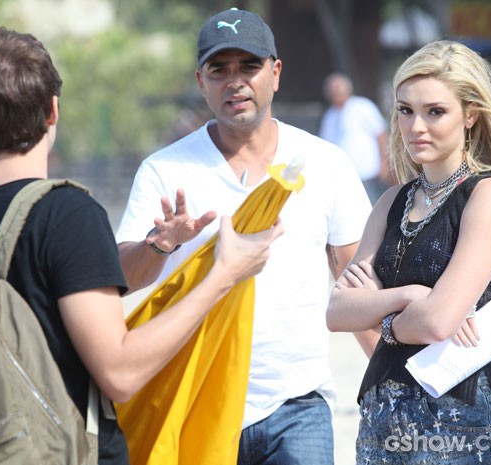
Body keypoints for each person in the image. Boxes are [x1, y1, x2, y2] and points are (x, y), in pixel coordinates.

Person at [0, 27, 283, 464]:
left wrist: (156, 248)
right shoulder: (65, 214)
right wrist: (223, 276)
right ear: (52, 110)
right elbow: (120, 371)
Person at [115, 8, 377, 465]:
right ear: (201, 81)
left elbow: (358, 284)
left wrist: (390, 378)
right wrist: (161, 244)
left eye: (249, 67)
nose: (235, 82)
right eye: (220, 70)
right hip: (195, 395)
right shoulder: (164, 169)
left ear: (275, 73)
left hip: (297, 402)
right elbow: (120, 276)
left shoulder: (325, 162)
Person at [326, 40, 491, 464]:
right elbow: (337, 313)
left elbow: (440, 321)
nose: (415, 126)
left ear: (471, 115)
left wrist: (379, 314)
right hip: (380, 420)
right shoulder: (390, 203)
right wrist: (408, 297)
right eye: (405, 110)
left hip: (461, 420)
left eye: (435, 112)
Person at [319, 72, 392, 205]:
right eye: (332, 90)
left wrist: (384, 162)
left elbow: (381, 134)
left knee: (374, 207)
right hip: (343, 176)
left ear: (348, 89)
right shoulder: (330, 115)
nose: (336, 93)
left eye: (338, 88)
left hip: (368, 171)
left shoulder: (362, 106)